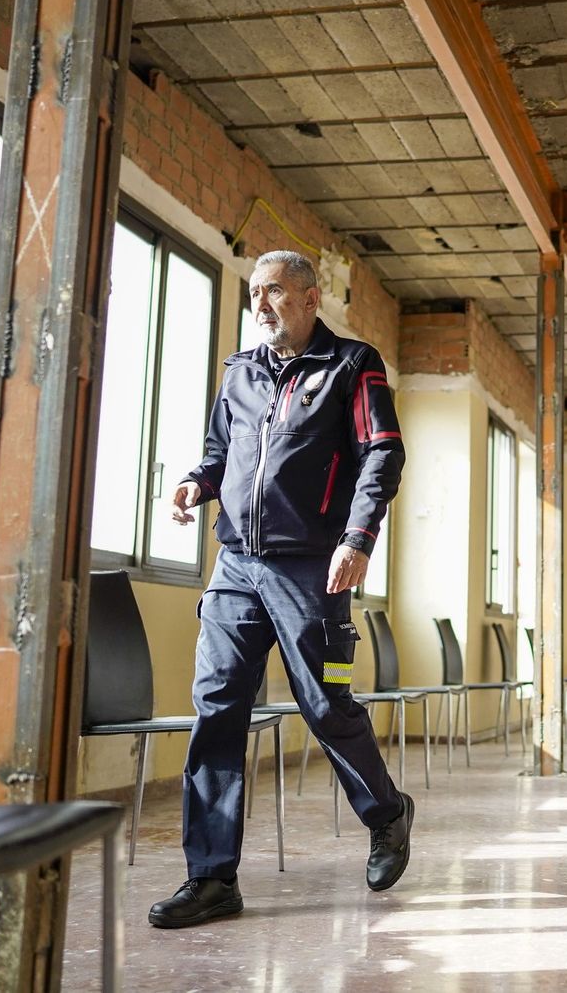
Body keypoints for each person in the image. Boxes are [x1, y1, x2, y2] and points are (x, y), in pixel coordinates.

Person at [148, 250, 413, 928]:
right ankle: (212, 876)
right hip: (236, 565)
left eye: (273, 291)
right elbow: (219, 453)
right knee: (217, 709)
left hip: (313, 568)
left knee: (326, 702)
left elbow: (383, 451)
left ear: (310, 297)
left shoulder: (351, 365)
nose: (261, 305)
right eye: (253, 294)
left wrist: (358, 537)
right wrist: (196, 482)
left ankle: (387, 813)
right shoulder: (238, 372)